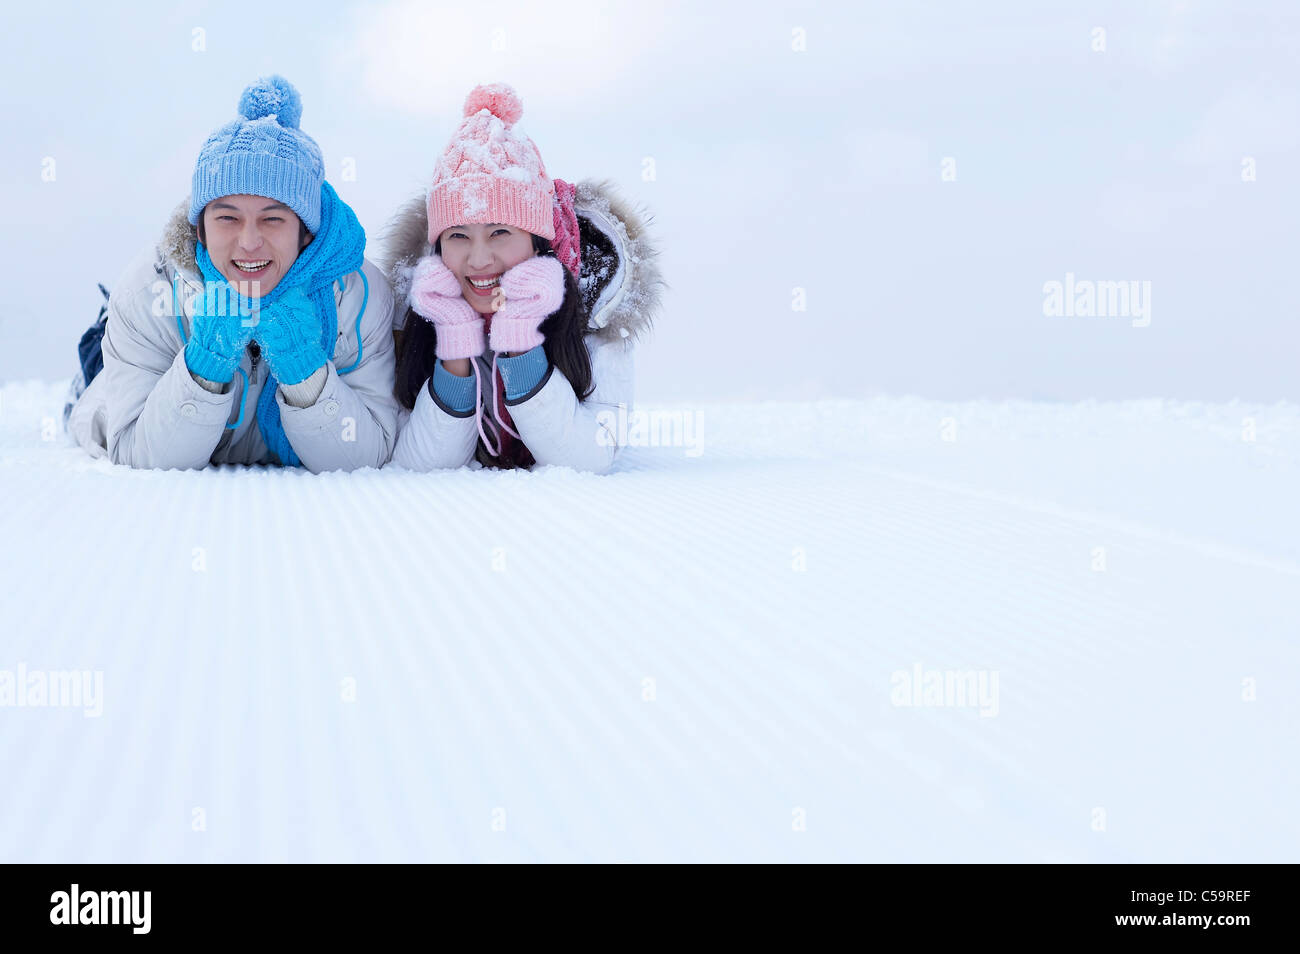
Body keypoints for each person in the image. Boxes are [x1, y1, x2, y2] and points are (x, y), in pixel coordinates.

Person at [64, 75, 398, 472]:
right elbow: (142, 456)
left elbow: (366, 456)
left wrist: (304, 367)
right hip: (138, 367)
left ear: (305, 232)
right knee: (93, 399)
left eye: (272, 219)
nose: (249, 241)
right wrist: (204, 363)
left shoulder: (359, 295)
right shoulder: (146, 293)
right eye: (227, 218)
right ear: (200, 228)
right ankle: (96, 345)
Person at [384, 83, 663, 473]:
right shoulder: (424, 304)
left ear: (536, 242)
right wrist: (454, 345)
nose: (479, 259)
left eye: (500, 232)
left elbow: (589, 458)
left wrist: (520, 341)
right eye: (459, 236)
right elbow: (419, 467)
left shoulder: (598, 302)